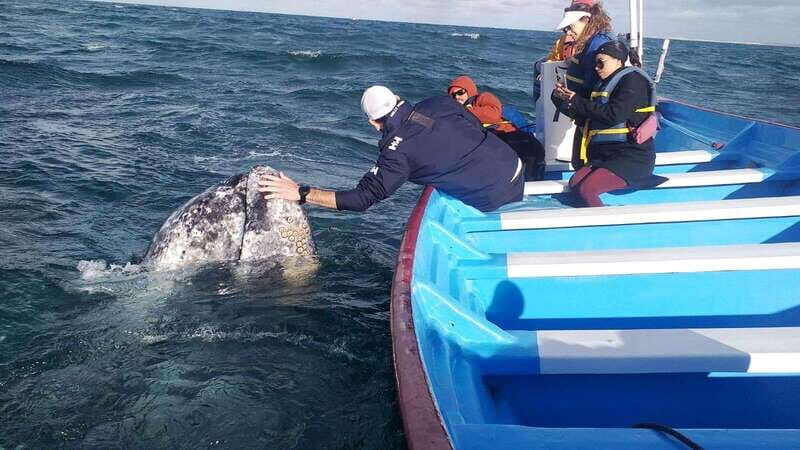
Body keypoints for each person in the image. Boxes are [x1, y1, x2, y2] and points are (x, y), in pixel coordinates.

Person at [257, 85, 525, 213]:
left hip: (494, 197)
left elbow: (362, 198)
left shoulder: (395, 153)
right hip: (515, 165)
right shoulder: (438, 102)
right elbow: (474, 124)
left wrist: (301, 193)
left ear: (374, 123)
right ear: (397, 97)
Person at [551, 40, 657, 207]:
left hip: (631, 156)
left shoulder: (633, 80)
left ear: (618, 60)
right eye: (595, 63)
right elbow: (584, 115)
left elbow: (614, 115)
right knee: (574, 183)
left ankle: (603, 228)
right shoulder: (602, 84)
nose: (597, 67)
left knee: (587, 189)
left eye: (602, 62)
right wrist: (560, 99)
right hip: (604, 156)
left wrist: (576, 99)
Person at [448, 75, 545, 180]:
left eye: (460, 92)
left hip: (506, 137)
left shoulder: (483, 97)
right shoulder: (455, 112)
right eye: (453, 95)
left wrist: (464, 112)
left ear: (469, 91)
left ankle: (529, 182)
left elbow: (492, 115)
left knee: (532, 150)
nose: (457, 97)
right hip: (485, 144)